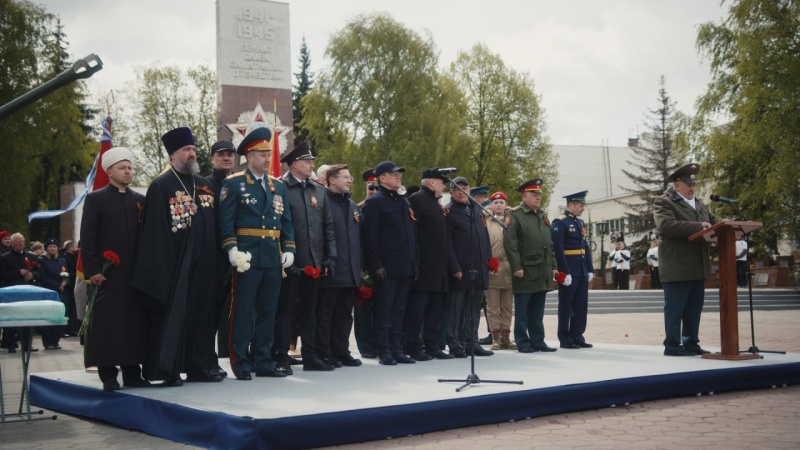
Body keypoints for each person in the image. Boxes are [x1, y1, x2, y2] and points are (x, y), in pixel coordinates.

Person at [132, 126, 221, 385]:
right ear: (173, 155)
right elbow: (154, 233)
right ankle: (168, 370)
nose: (192, 154)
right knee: (174, 319)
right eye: (186, 150)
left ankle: (199, 366)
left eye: (193, 149)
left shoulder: (204, 185)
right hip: (176, 266)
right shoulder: (161, 186)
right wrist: (162, 269)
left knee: (202, 319)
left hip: (204, 265)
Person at [219, 127, 295, 380]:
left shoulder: (278, 187)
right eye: (261, 154)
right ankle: (240, 362)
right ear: (249, 156)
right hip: (247, 256)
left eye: (268, 153)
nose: (266, 158)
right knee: (243, 311)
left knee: (267, 311)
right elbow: (226, 221)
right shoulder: (235, 183)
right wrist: (231, 248)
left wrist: (289, 248)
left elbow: (286, 221)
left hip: (272, 257)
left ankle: (263, 360)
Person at [80, 147, 150, 391]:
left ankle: (133, 372)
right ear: (109, 172)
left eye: (130, 167)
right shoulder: (96, 199)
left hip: (134, 275)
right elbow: (87, 239)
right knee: (108, 324)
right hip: (107, 276)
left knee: (134, 323)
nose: (128, 171)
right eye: (123, 167)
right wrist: (93, 271)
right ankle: (108, 374)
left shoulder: (140, 201)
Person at [275, 141, 337, 373]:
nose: (312, 164)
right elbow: (278, 225)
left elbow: (327, 227)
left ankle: (310, 356)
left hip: (314, 262)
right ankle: (281, 356)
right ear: (294, 164)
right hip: (290, 263)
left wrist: (330, 257)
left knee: (311, 313)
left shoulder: (319, 190)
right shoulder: (280, 188)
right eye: (307, 161)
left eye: (312, 160)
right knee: (285, 312)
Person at [654, 163, 720, 356]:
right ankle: (673, 345)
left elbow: (714, 221)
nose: (692, 188)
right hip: (677, 267)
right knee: (675, 310)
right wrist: (698, 226)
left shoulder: (699, 203)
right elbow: (666, 226)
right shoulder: (664, 202)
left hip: (698, 267)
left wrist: (731, 223)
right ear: (677, 186)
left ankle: (691, 343)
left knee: (693, 309)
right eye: (687, 184)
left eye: (693, 184)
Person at [361, 161, 418, 365]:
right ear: (382, 178)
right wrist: (376, 265)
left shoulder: (403, 201)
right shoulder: (375, 203)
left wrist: (414, 263)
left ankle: (397, 348)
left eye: (399, 174)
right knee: (385, 309)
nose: (398, 176)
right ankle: (383, 349)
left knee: (400, 309)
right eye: (393, 174)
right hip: (387, 267)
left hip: (405, 266)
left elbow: (411, 236)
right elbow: (370, 237)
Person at [404, 169, 454, 361]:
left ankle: (432, 345)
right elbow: (413, 233)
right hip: (423, 265)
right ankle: (413, 344)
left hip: (438, 265)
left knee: (434, 307)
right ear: (432, 182)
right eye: (442, 183)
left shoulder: (435, 203)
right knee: (418, 308)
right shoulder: (416, 199)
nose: (444, 186)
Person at [316, 164, 363, 367]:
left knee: (345, 315)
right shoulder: (322, 202)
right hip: (332, 269)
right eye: (345, 177)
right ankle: (325, 352)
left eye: (349, 177)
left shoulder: (352, 205)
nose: (349, 180)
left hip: (350, 271)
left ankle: (342, 351)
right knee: (326, 314)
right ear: (332, 180)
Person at [503, 179, 557, 353]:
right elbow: (510, 244)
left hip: (542, 270)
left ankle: (538, 341)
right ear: (524, 196)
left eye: (539, 195)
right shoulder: (515, 215)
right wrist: (516, 266)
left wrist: (553, 266)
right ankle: (523, 341)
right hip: (525, 270)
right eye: (534, 195)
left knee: (537, 311)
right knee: (523, 311)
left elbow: (549, 244)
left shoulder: (542, 215)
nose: (538, 198)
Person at [444, 176, 493, 358]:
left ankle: (471, 342)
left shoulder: (476, 210)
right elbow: (447, 243)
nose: (462, 192)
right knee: (455, 309)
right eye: (458, 189)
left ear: (470, 191)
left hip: (478, 268)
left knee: (473, 309)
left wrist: (488, 260)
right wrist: (454, 267)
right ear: (452, 192)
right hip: (460, 269)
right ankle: (454, 342)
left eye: (465, 188)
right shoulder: (449, 212)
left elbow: (484, 238)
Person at [205, 140, 236, 375]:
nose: (226, 158)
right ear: (212, 158)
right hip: (213, 256)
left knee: (235, 313)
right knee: (210, 313)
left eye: (229, 154)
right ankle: (207, 359)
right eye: (221, 155)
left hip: (239, 256)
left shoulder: (240, 184)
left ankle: (232, 356)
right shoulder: (204, 186)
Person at [552, 190, 595, 349]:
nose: (582, 208)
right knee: (566, 305)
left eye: (583, 205)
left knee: (581, 304)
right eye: (579, 205)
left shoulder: (579, 222)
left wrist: (589, 268)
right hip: (569, 269)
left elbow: (585, 246)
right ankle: (565, 338)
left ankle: (577, 335)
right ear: (570, 205)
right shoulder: (560, 222)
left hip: (581, 269)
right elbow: (558, 248)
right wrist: (564, 271)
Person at [485, 191, 516, 350]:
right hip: (493, 266)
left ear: (506, 204)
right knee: (493, 306)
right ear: (491, 205)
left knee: (507, 306)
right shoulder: (486, 221)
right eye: (495, 203)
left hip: (509, 267)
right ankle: (495, 337)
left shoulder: (512, 220)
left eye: (501, 202)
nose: (498, 205)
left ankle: (506, 337)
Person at [0, 233, 40, 353]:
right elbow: (2, 274)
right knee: (12, 317)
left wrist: (33, 275)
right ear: (11, 243)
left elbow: (40, 271)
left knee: (28, 317)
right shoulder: (5, 257)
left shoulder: (31, 256)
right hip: (13, 291)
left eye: (22, 241)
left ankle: (27, 345)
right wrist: (18, 272)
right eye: (18, 241)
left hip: (29, 290)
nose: (21, 243)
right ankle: (10, 344)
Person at [354, 168, 378, 358]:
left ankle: (378, 342)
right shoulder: (359, 209)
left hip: (383, 266)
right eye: (371, 187)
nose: (374, 192)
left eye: (377, 188)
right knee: (363, 309)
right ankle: (365, 345)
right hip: (363, 266)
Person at [34, 238, 67, 350]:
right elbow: (42, 276)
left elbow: (65, 274)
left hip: (59, 291)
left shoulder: (61, 260)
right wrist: (56, 285)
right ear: (46, 248)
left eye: (54, 246)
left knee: (58, 315)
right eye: (50, 246)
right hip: (47, 291)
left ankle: (55, 340)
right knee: (48, 316)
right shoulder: (41, 260)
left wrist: (65, 282)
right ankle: (48, 342)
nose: (52, 248)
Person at [61, 240, 79, 336]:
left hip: (74, 283)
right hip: (70, 285)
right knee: (68, 308)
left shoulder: (75, 256)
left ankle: (72, 328)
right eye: (75, 246)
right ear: (70, 247)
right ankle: (66, 329)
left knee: (73, 308)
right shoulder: (66, 257)